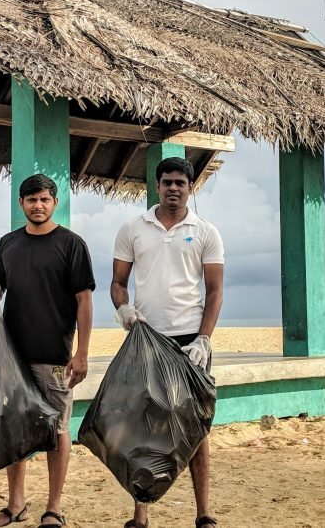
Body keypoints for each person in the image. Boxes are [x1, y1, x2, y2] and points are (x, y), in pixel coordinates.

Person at [111, 157, 223, 528]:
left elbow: (215, 290)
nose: (173, 188)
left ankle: (204, 512)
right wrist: (124, 309)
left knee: (196, 428)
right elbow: (118, 283)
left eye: (181, 182)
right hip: (147, 339)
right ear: (156, 186)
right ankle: (140, 514)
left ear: (191, 188)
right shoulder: (133, 228)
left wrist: (204, 339)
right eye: (167, 182)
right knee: (144, 426)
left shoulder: (206, 232)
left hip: (190, 340)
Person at [0, 174, 95, 528]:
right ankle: (15, 505)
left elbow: (84, 300)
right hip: (12, 358)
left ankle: (54, 507)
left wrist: (82, 353)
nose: (38, 206)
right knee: (15, 430)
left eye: (44, 199)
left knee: (57, 429)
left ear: (54, 202)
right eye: (31, 200)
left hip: (56, 356)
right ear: (21, 204)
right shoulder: (8, 244)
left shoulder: (72, 244)